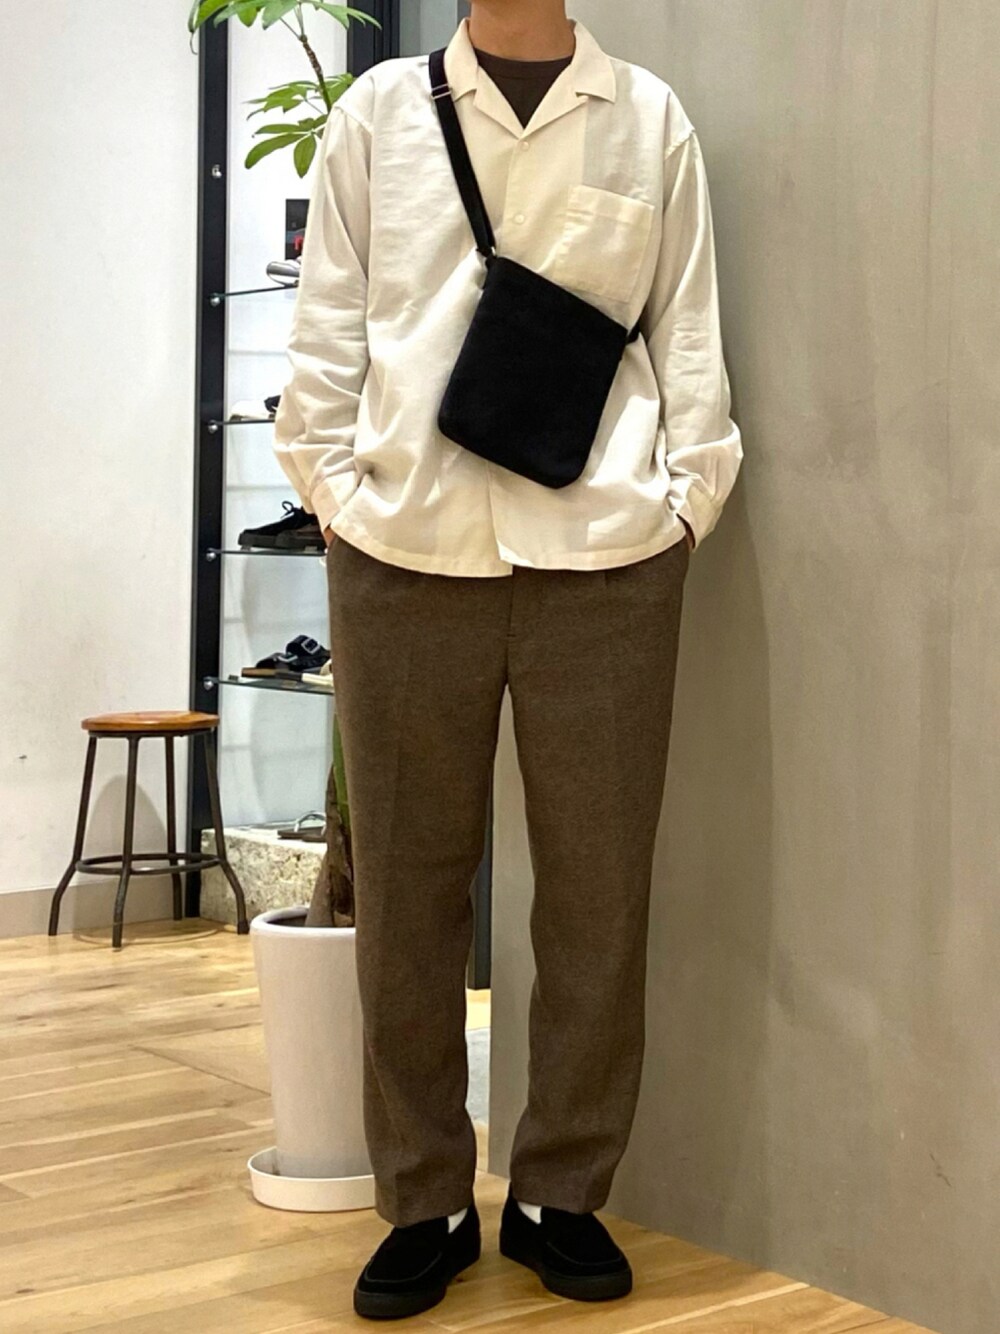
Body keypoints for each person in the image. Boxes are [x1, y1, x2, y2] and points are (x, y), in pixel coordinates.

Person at [273, 0, 742, 1320]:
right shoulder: (378, 116)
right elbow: (330, 321)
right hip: (404, 554)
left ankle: (561, 1192)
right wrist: (333, 493)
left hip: (607, 562)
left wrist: (686, 504)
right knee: (405, 896)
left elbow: (685, 327)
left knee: (599, 891)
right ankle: (423, 1196)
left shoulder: (646, 118)